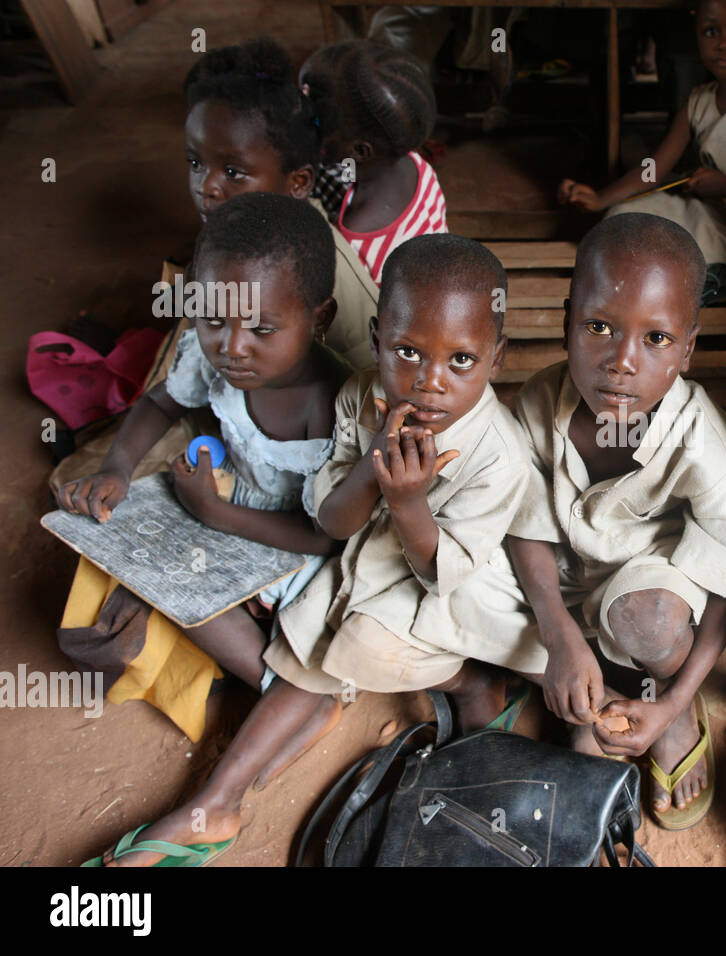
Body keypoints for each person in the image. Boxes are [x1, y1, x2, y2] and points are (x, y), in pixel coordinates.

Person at [84, 234, 531, 867]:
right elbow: (335, 523)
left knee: (362, 645)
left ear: (497, 357)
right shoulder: (359, 395)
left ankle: (472, 681)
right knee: (304, 648)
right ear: (377, 337)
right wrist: (375, 465)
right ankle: (214, 805)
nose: (429, 382)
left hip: (449, 590)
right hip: (362, 561)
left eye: (461, 360)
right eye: (407, 351)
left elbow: (441, 573)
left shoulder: (499, 454)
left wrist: (407, 503)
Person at [448, 214, 726, 829]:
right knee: (454, 579)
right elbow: (523, 526)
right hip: (561, 582)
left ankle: (665, 719)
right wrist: (558, 633)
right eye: (598, 326)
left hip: (649, 585)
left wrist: (676, 701)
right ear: (567, 324)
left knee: (647, 617)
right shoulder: (537, 402)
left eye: (656, 340)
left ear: (688, 348)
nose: (621, 361)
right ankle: (591, 704)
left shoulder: (702, 443)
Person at [57, 193, 348, 744]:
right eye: (212, 319)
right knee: (134, 558)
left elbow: (326, 538)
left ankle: (281, 692)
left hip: (300, 542)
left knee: (199, 601)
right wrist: (117, 467)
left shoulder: (332, 404)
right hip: (227, 506)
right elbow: (161, 402)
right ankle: (275, 688)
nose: (232, 347)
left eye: (262, 330)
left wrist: (212, 513)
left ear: (320, 318)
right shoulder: (210, 351)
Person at [558, 0, 726, 267]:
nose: (724, 43)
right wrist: (600, 199)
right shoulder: (698, 99)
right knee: (620, 216)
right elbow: (654, 170)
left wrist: (725, 185)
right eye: (711, 32)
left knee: (660, 250)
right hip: (700, 210)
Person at [183, 37, 379, 369]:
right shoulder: (250, 227)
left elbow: (360, 383)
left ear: (297, 183)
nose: (207, 186)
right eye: (195, 163)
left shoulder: (313, 272)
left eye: (233, 172)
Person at [300, 40, 448, 286]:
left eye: (314, 118)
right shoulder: (413, 164)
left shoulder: (355, 247)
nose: (299, 103)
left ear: (359, 149)